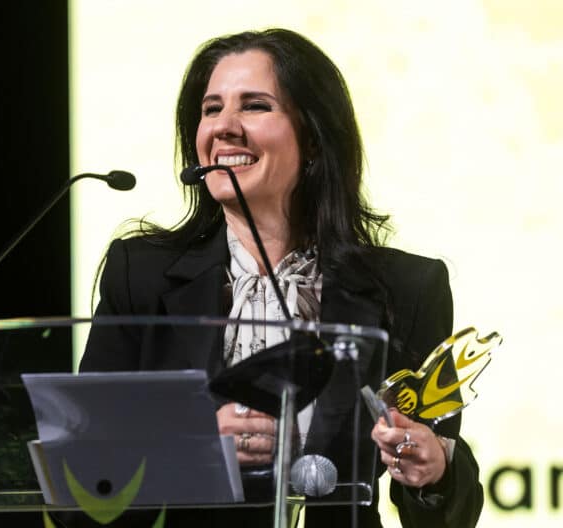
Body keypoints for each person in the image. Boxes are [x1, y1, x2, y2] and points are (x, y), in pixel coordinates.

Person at [77, 28, 483, 527]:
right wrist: (190, 446)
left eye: (254, 106)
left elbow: (448, 515)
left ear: (312, 136)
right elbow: (84, 480)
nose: (223, 127)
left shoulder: (406, 287)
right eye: (210, 109)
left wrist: (435, 470)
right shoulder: (140, 276)